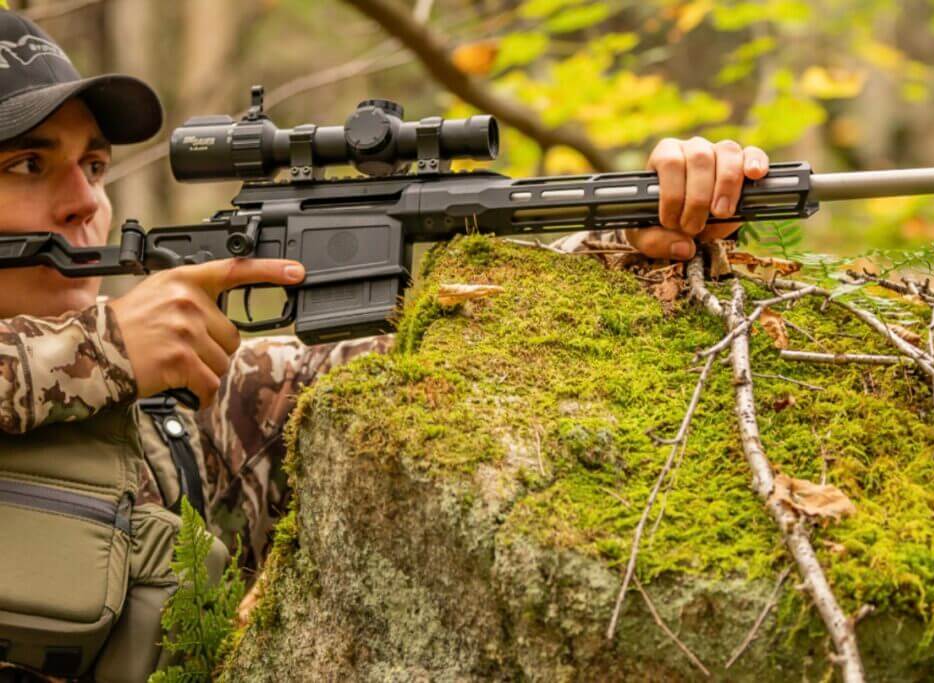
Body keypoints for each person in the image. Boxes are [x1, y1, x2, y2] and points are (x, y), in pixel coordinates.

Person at [0, 8, 769, 680]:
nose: (85, 203)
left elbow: (431, 371)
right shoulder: (121, 352)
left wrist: (629, 236)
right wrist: (99, 347)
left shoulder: (180, 407)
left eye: (94, 165)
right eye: (30, 164)